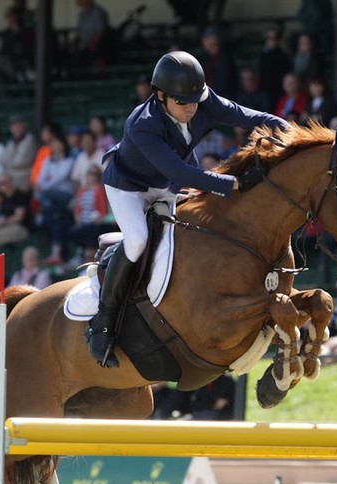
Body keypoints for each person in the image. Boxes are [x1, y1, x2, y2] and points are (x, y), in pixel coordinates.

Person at [86, 50, 289, 368]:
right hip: (130, 187)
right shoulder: (143, 124)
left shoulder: (202, 101)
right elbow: (182, 173)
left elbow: (247, 117)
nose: (192, 108)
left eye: (195, 100)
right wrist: (232, 184)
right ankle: (103, 322)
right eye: (183, 103)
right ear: (160, 95)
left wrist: (286, 131)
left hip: (166, 181)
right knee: (138, 239)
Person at [0, 114, 37, 190]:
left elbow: (19, 162)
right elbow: (2, 159)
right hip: (11, 177)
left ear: (24, 126)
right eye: (13, 126)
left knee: (2, 187)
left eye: (18, 125)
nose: (15, 128)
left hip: (24, 178)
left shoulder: (29, 139)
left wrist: (8, 168)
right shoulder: (11, 142)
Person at [258, 29, 292, 110]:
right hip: (266, 90)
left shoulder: (283, 56)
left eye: (273, 38)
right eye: (269, 38)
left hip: (279, 90)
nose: (271, 41)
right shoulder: (263, 55)